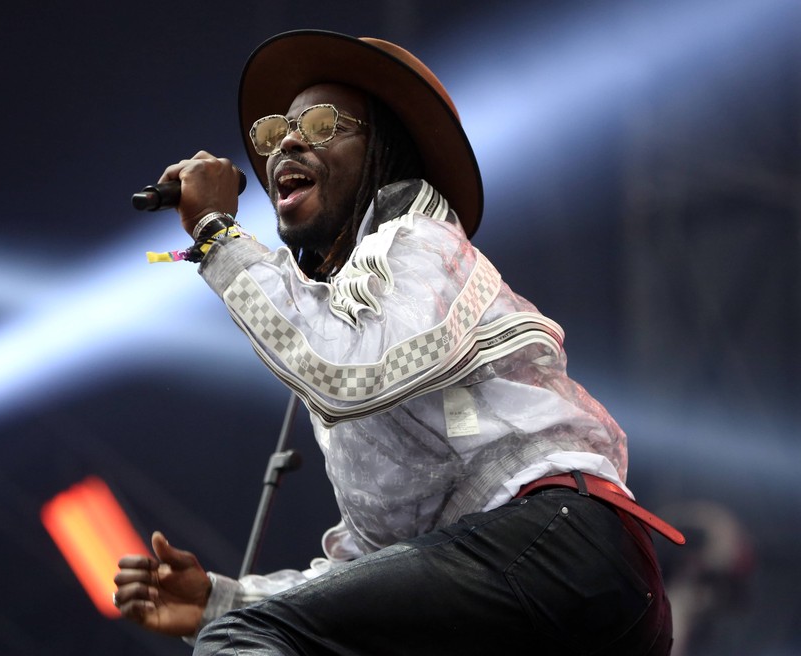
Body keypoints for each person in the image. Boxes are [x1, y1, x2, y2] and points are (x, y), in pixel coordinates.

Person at [114, 30, 683, 655]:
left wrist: (217, 236)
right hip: (558, 595)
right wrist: (221, 601)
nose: (290, 143)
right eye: (275, 133)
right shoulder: (363, 318)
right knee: (257, 630)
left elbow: (348, 374)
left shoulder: (421, 243)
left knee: (247, 642)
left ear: (384, 152)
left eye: (325, 124)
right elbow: (373, 567)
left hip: (559, 547)